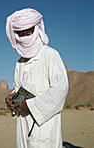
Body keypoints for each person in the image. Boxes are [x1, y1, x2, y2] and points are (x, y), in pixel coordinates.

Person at [5, 8, 68, 148]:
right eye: (21, 32)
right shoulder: (20, 62)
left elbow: (60, 89)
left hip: (44, 126)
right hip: (23, 124)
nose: (25, 35)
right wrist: (12, 98)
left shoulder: (50, 54)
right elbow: (17, 87)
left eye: (29, 30)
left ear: (37, 29)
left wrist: (31, 106)